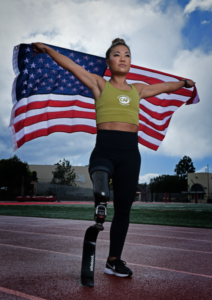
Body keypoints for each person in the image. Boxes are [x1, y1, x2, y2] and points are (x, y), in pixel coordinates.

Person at [33, 39, 195, 277]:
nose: (122, 58)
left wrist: (183, 82)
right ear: (109, 62)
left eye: (127, 55)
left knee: (124, 211)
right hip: (105, 148)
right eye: (117, 54)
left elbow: (163, 87)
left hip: (131, 153)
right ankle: (100, 197)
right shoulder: (99, 84)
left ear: (130, 62)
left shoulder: (137, 89)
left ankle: (113, 261)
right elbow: (71, 66)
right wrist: (47, 49)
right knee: (100, 173)